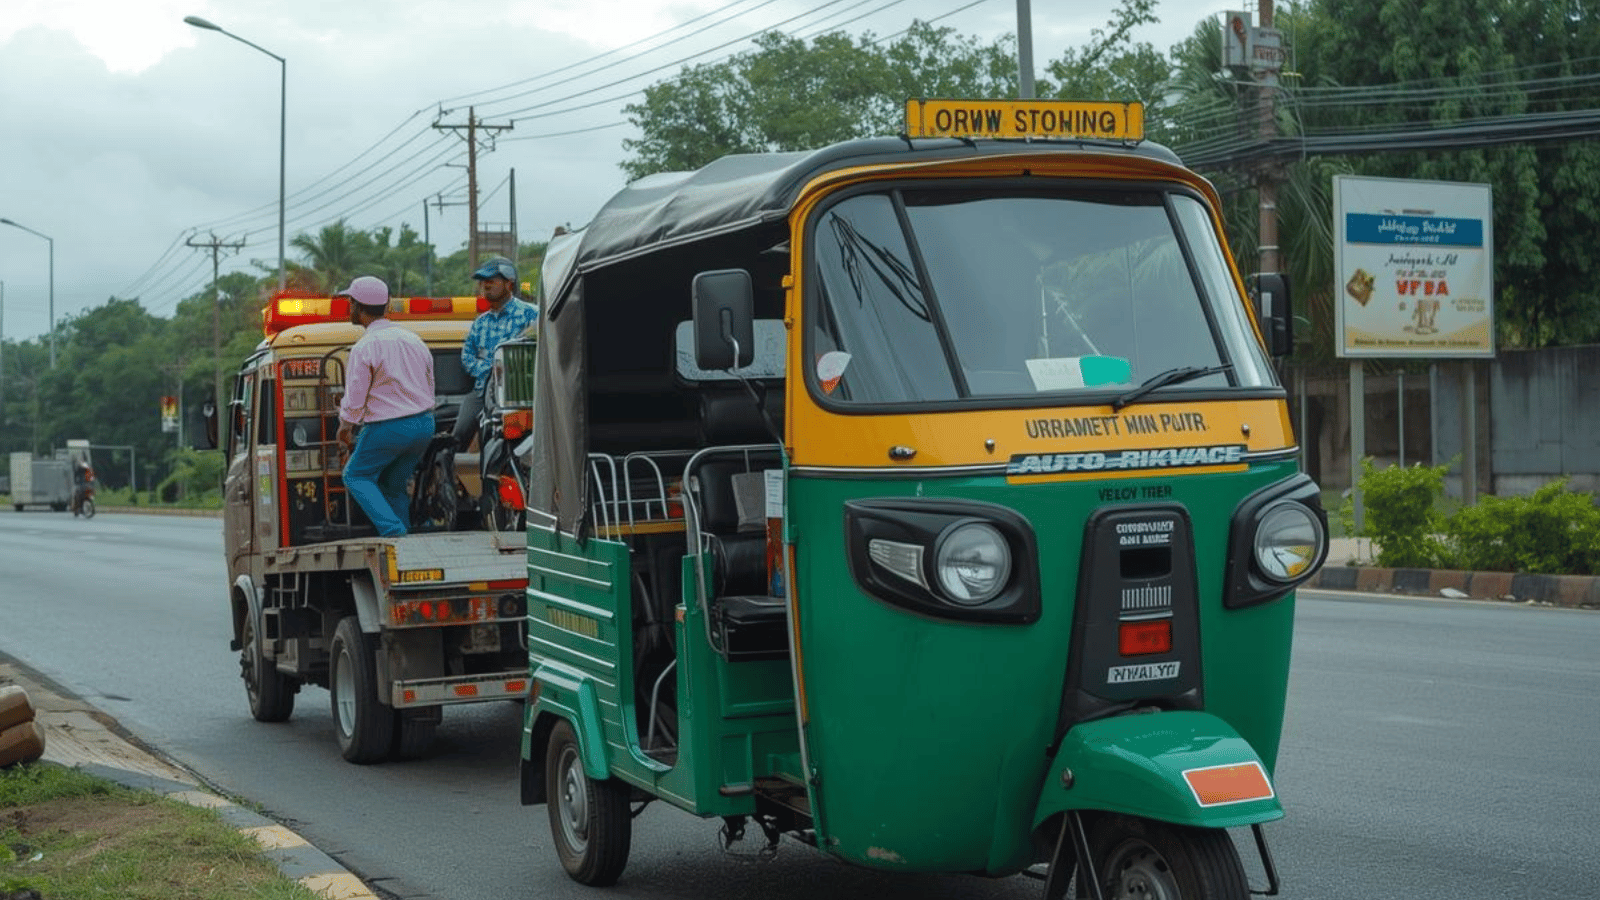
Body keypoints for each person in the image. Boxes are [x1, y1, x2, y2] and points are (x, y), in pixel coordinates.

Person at [334, 275, 436, 537]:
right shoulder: (413, 339)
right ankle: (405, 543)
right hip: (424, 424)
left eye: (349, 302)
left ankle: (393, 533)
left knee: (356, 476)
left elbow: (356, 397)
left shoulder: (365, 347)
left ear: (357, 306)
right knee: (393, 484)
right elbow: (429, 381)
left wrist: (345, 428)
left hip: (389, 427)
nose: (349, 308)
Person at [454, 256, 538, 451]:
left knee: (508, 442)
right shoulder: (480, 322)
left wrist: (507, 372)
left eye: (491, 281)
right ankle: (448, 477)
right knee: (458, 435)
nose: (485, 286)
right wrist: (491, 371)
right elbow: (467, 356)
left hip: (517, 396)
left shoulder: (531, 315)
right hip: (482, 390)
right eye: (483, 282)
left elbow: (540, 352)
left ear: (509, 284)